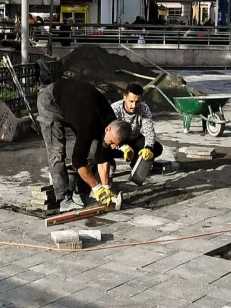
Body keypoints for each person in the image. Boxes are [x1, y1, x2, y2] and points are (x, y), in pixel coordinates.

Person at [35, 77, 133, 211]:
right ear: (108, 129)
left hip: (74, 104)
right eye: (112, 143)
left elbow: (103, 156)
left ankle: (80, 193)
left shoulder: (111, 120)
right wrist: (97, 187)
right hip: (50, 101)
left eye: (116, 145)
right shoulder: (89, 123)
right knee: (57, 152)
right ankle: (63, 200)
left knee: (94, 150)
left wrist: (106, 188)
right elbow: (78, 161)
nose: (113, 147)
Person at [112, 84, 162, 183]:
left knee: (157, 147)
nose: (134, 105)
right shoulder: (114, 109)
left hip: (135, 139)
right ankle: (109, 163)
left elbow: (149, 131)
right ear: (124, 97)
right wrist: (122, 147)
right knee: (102, 148)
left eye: (137, 102)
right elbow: (110, 135)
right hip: (118, 142)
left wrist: (148, 148)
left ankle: (136, 164)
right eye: (131, 101)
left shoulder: (144, 108)